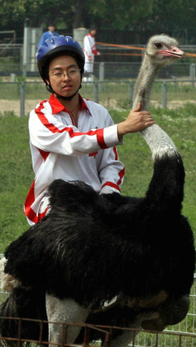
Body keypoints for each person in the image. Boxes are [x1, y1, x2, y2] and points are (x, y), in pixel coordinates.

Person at [25, 35, 154, 226]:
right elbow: (72, 143)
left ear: (81, 72)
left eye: (72, 70)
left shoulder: (99, 113)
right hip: (52, 203)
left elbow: (111, 164)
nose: (66, 78)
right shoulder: (40, 116)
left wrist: (108, 198)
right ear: (47, 79)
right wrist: (121, 129)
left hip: (95, 202)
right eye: (57, 73)